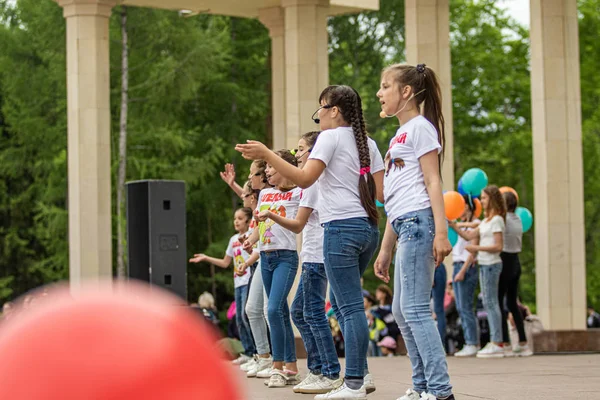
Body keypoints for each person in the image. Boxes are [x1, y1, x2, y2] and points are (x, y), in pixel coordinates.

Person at [236, 85, 384, 399]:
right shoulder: (368, 143)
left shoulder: (330, 138)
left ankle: (353, 382)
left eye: (320, 110)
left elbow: (304, 179)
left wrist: (266, 155)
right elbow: (381, 195)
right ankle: (360, 375)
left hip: (340, 230)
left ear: (335, 111)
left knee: (348, 308)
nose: (318, 118)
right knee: (347, 309)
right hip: (368, 229)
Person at [373, 63, 454, 400]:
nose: (379, 93)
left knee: (417, 309)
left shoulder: (421, 128)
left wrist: (441, 231)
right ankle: (421, 386)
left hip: (420, 225)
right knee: (403, 311)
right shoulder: (399, 136)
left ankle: (439, 390)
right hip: (405, 225)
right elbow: (395, 199)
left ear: (406, 92)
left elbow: (433, 181)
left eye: (385, 86)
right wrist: (385, 248)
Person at [287, 131, 342, 395]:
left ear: (314, 152)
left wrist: (270, 217)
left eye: (300, 149)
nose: (297, 155)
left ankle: (328, 372)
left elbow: (298, 225)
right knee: (300, 312)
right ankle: (318, 368)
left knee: (312, 314)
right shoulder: (315, 183)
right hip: (313, 257)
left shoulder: (311, 183)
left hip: (315, 258)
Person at [242, 150, 302, 388]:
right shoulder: (265, 193)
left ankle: (277, 367)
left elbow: (296, 225)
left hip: (285, 258)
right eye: (265, 168)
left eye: (270, 167)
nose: (267, 171)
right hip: (265, 259)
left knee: (274, 308)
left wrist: (272, 217)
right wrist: (252, 240)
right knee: (280, 313)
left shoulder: (299, 192)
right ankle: (292, 367)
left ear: (284, 167)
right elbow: (259, 225)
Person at [220, 165, 273, 377]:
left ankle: (276, 360)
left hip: (270, 258)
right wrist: (232, 184)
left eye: (252, 174)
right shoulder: (259, 203)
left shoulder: (266, 199)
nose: (249, 178)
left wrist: (249, 256)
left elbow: (248, 197)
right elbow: (246, 196)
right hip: (258, 262)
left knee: (270, 311)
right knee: (251, 311)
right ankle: (264, 356)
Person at [189, 207, 256, 365]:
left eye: (240, 218)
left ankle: (257, 353)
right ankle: (247, 352)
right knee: (239, 318)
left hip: (248, 280)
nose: (236, 221)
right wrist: (206, 258)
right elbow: (226, 262)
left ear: (248, 220)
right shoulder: (233, 240)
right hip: (238, 283)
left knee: (247, 316)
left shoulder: (252, 235)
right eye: (235, 219)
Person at [451, 185, 506, 358]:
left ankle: (497, 342)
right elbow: (468, 236)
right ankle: (493, 340)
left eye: (484, 198)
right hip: (484, 264)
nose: (481, 201)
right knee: (489, 302)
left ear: (492, 199)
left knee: (491, 302)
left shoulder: (497, 220)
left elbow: (499, 246)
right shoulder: (486, 221)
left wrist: (477, 247)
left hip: (492, 264)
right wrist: (453, 225)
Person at [499, 191, 532, 356]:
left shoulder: (503, 221)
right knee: (512, 303)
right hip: (516, 261)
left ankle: (505, 342)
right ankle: (523, 342)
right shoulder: (518, 219)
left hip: (504, 260)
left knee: (499, 302)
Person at [452, 197, 481, 357]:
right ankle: (469, 341)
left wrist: (462, 270)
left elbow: (472, 250)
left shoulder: (476, 223)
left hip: (466, 266)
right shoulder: (459, 224)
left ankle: (472, 342)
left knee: (466, 307)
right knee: (461, 307)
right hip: (457, 265)